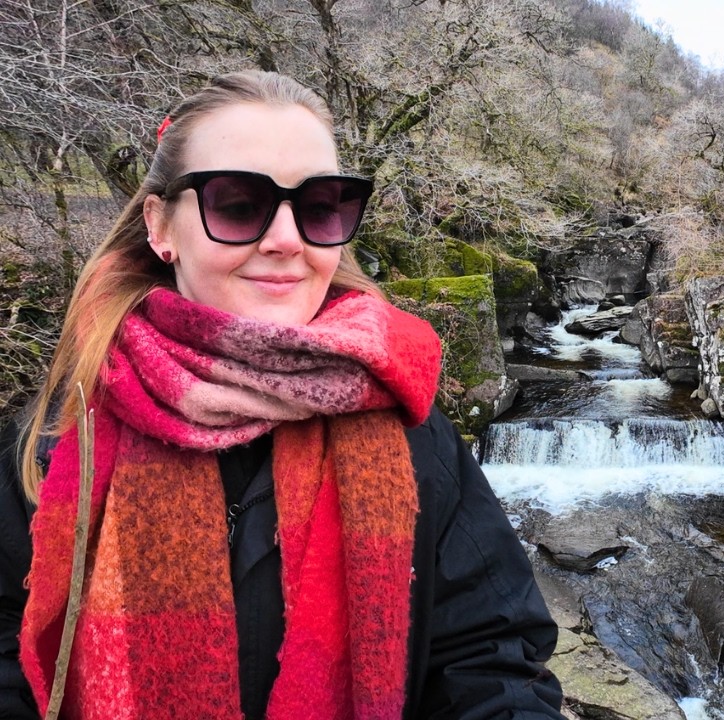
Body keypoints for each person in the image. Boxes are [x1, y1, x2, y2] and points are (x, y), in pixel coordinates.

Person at [0, 70, 565, 720]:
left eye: (321, 205)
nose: (288, 239)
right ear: (160, 226)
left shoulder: (409, 431)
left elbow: (491, 663)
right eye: (238, 203)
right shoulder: (55, 443)